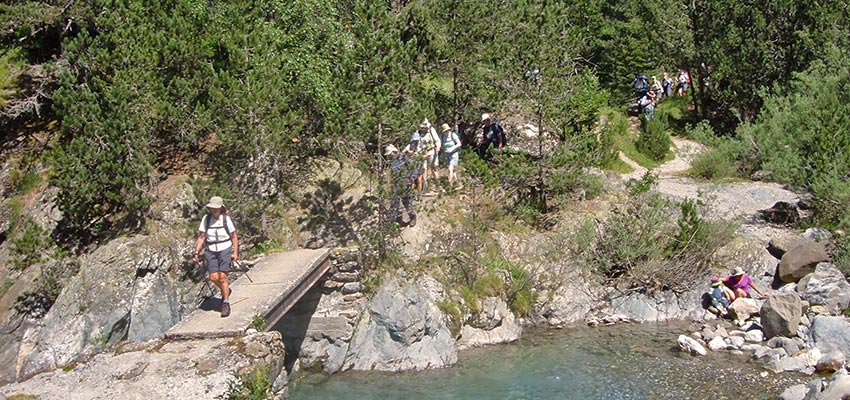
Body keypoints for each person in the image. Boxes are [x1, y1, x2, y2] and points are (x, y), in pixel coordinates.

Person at [192, 196, 239, 318]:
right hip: (211, 250)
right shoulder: (206, 219)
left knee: (222, 277)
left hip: (225, 248)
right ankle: (226, 290)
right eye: (211, 208)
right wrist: (196, 252)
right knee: (213, 277)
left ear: (220, 208)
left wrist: (235, 252)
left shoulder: (226, 219)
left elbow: (234, 236)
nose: (213, 210)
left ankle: (226, 303)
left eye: (216, 208)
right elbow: (202, 237)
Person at [385, 144, 417, 227]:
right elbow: (384, 168)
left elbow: (414, 168)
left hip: (405, 182)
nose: (389, 156)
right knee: (394, 202)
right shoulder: (392, 160)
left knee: (407, 202)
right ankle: (390, 222)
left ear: (394, 152)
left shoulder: (404, 158)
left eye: (390, 154)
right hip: (395, 183)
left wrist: (412, 178)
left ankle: (413, 217)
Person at [439, 123, 461, 189]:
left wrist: (452, 148)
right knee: (452, 170)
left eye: (447, 130)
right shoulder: (442, 136)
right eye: (445, 131)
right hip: (446, 154)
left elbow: (459, 143)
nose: (447, 132)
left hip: (454, 154)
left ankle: (449, 184)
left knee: (450, 168)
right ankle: (457, 182)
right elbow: (441, 144)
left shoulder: (453, 135)